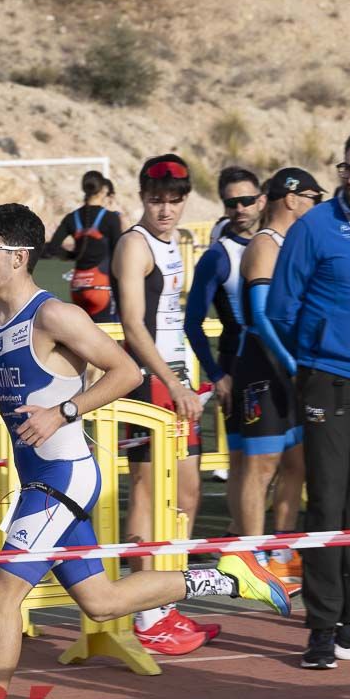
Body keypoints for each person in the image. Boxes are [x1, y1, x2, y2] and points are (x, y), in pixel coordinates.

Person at [0, 203, 290, 699]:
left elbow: (127, 373)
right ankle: (225, 576)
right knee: (102, 602)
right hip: (36, 476)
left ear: (18, 257)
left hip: (64, 477)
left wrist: (64, 410)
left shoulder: (55, 315)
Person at [267, 129, 350, 666]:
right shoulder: (316, 226)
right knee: (328, 504)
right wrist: (316, 357)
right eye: (348, 169)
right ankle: (321, 626)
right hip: (328, 379)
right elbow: (282, 309)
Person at [111, 154, 213, 654]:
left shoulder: (176, 243)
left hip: (178, 378)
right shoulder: (134, 245)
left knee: (188, 496)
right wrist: (173, 383)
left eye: (174, 200)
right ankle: (145, 613)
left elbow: (174, 318)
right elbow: (134, 326)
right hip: (150, 382)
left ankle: (166, 599)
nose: (166, 209)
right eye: (157, 199)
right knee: (149, 495)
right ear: (142, 197)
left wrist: (191, 378)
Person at [235, 168, 323, 591]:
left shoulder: (295, 244)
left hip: (292, 366)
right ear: (291, 198)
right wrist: (293, 365)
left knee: (297, 462)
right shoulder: (264, 245)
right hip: (263, 367)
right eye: (313, 197)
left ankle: (283, 552)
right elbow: (264, 319)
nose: (316, 205)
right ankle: (252, 558)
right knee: (261, 467)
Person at [183, 166, 264, 539]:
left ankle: (250, 536)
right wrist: (217, 375)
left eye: (247, 199)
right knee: (244, 461)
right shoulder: (217, 256)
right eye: (231, 202)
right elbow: (192, 323)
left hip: (281, 366)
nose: (240, 208)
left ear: (262, 199)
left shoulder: (281, 242)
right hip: (240, 367)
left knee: (281, 461)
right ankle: (247, 546)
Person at [46, 170, 124, 322]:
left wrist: (73, 255)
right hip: (102, 288)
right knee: (108, 340)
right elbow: (119, 254)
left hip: (77, 287)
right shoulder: (111, 218)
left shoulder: (71, 218)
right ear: (103, 190)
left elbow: (52, 248)